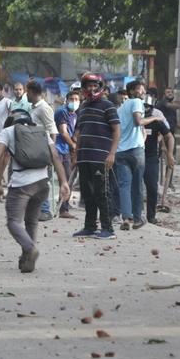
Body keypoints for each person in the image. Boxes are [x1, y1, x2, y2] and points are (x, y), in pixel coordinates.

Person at [0, 110, 70, 273]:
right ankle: (27, 259)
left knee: (13, 222)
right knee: (31, 221)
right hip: (43, 183)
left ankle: (30, 248)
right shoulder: (41, 131)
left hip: (21, 185)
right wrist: (64, 182)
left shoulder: (8, 131)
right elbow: (55, 156)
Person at [72, 72, 120, 239]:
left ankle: (108, 229)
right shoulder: (83, 107)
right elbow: (79, 132)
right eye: (88, 86)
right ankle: (90, 226)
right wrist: (76, 155)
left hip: (101, 158)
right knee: (87, 194)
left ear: (100, 87)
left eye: (94, 86)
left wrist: (112, 153)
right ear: (84, 88)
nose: (91, 89)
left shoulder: (108, 106)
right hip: (84, 158)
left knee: (102, 193)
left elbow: (116, 130)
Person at [115, 80, 159, 230]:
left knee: (124, 185)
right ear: (132, 91)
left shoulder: (121, 107)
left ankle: (126, 218)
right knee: (137, 185)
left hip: (120, 150)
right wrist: (154, 118)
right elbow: (138, 121)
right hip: (135, 150)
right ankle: (138, 218)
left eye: (143, 90)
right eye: (140, 90)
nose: (143, 92)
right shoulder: (136, 102)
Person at [25, 81, 59, 221]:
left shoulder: (44, 108)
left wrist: (51, 153)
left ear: (32, 92)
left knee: (42, 181)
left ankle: (45, 210)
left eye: (27, 92)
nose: (26, 94)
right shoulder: (33, 107)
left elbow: (52, 130)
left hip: (43, 150)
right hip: (34, 149)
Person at [142, 100, 175, 224]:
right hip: (134, 156)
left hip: (151, 157)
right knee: (134, 187)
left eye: (147, 107)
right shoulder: (132, 119)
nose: (145, 110)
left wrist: (170, 154)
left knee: (152, 187)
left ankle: (151, 215)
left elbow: (169, 136)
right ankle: (132, 215)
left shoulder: (157, 121)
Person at [54, 91, 80, 218]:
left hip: (67, 150)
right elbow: (63, 132)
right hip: (59, 149)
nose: (74, 101)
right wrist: (73, 146)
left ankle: (63, 206)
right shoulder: (62, 112)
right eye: (71, 99)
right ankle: (62, 209)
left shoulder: (74, 114)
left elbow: (73, 132)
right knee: (64, 179)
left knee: (68, 179)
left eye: (76, 99)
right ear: (67, 100)